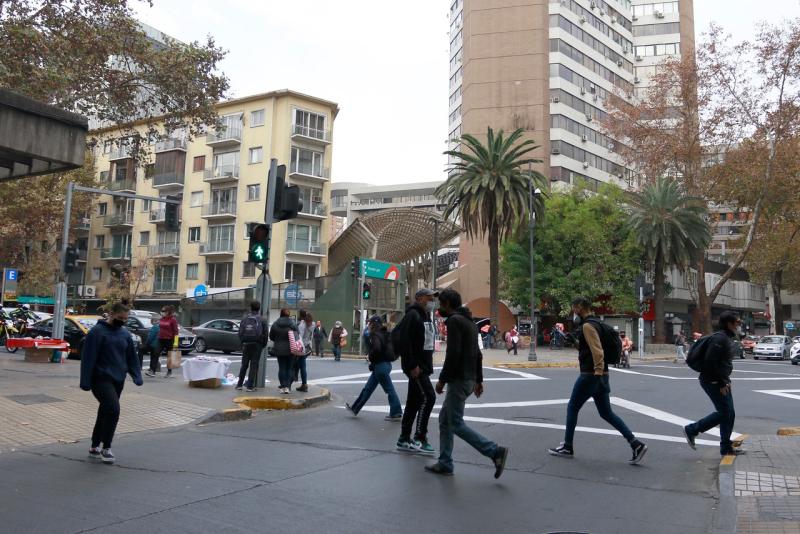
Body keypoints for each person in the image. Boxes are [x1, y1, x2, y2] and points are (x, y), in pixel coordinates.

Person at [548, 296, 648, 464]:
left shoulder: (587, 325)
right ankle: (636, 444)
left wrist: (598, 372)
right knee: (606, 413)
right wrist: (576, 342)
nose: (573, 312)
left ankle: (567, 446)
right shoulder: (596, 323)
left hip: (590, 375)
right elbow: (589, 348)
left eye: (574, 308)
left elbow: (597, 351)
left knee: (572, 407)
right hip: (601, 374)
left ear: (580, 307)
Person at [425, 288, 509, 478]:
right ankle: (445, 462)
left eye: (441, 304)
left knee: (454, 422)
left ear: (447, 304)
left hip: (459, 379)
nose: (439, 307)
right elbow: (478, 354)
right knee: (445, 420)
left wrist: (442, 380)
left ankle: (494, 451)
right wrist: (478, 380)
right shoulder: (470, 322)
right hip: (469, 378)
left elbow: (453, 353)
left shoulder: (455, 321)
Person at [79, 302, 142, 464]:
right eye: (120, 317)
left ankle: (94, 445)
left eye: (126, 319)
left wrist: (136, 375)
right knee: (113, 409)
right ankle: (106, 447)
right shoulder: (97, 333)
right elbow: (88, 358)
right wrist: (85, 380)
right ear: (111, 314)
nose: (123, 321)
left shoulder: (124, 334)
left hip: (118, 379)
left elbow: (131, 357)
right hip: (100, 379)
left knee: (105, 411)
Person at [683, 311, 740, 456]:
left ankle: (726, 447)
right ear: (729, 324)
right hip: (713, 381)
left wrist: (726, 380)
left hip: (720, 380)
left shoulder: (725, 338)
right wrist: (721, 382)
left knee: (729, 413)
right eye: (736, 323)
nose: (738, 326)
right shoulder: (720, 339)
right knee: (725, 413)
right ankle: (692, 429)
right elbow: (710, 362)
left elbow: (721, 363)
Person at [397, 288, 438, 455]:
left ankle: (404, 438)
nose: (432, 302)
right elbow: (405, 342)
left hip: (423, 366)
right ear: (420, 298)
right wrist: (412, 365)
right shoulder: (412, 315)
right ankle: (420, 437)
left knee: (414, 400)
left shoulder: (425, 315)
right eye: (429, 298)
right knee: (428, 397)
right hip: (416, 368)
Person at [346, 316, 403, 420]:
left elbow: (376, 348)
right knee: (368, 389)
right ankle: (355, 408)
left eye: (370, 323)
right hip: (385, 365)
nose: (368, 325)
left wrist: (370, 356)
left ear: (373, 324)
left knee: (389, 390)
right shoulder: (386, 333)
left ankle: (396, 412)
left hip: (380, 366)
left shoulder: (374, 334)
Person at [237, 301, 269, 392]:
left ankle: (239, 384)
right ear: (259, 308)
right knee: (254, 365)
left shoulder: (245, 318)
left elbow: (240, 332)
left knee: (244, 364)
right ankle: (250, 386)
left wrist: (242, 342)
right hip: (257, 344)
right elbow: (266, 334)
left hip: (246, 343)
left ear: (250, 308)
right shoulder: (262, 319)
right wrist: (263, 344)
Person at [270, 308, 299, 394]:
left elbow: (271, 336)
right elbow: (297, 336)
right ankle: (287, 387)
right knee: (289, 368)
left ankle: (282, 386)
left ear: (281, 314)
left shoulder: (275, 324)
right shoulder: (293, 324)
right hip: (291, 349)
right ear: (288, 315)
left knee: (281, 368)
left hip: (279, 349)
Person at [146, 305, 179, 378]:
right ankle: (152, 371)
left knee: (169, 356)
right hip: (160, 339)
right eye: (162, 311)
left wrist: (175, 343)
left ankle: (169, 372)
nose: (162, 312)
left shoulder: (173, 320)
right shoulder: (162, 319)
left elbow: (176, 332)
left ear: (168, 312)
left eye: (164, 311)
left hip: (169, 340)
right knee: (155, 353)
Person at [294, 312, 313, 392]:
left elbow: (299, 337)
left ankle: (303, 384)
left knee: (300, 365)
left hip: (301, 348)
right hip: (307, 347)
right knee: (301, 365)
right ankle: (303, 384)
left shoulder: (302, 325)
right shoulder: (313, 324)